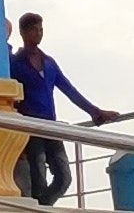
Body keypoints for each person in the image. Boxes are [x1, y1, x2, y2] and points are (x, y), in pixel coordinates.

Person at [7, 13, 114, 206]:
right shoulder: (16, 63)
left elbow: (68, 89)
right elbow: (9, 96)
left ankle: (42, 206)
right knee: (38, 177)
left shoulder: (48, 62)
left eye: (41, 29)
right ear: (23, 32)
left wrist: (94, 111)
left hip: (51, 126)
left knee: (64, 177)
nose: (38, 34)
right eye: (34, 30)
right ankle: (40, 206)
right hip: (30, 127)